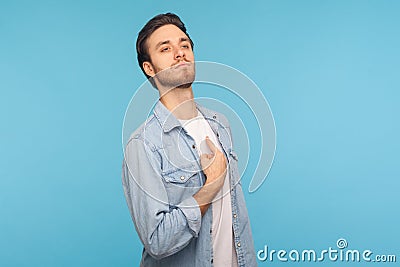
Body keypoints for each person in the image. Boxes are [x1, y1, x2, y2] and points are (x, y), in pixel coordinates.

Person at [122, 13, 257, 266]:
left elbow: (232, 217)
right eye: (166, 48)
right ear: (149, 68)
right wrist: (211, 185)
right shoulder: (143, 144)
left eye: (184, 45)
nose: (179, 53)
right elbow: (158, 241)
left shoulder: (220, 125)